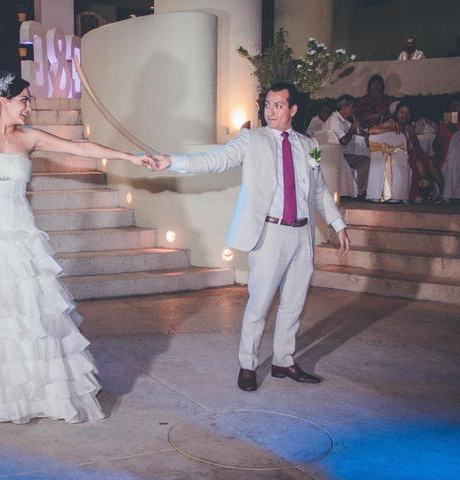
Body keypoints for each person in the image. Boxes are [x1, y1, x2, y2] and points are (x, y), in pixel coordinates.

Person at [0, 71, 155, 425]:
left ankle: (36, 394)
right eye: (24, 100)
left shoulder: (30, 139)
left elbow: (81, 148)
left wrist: (130, 158)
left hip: (21, 238)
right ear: (3, 100)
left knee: (30, 319)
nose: (29, 107)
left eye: (30, 101)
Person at [152, 82, 350, 392]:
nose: (270, 111)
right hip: (270, 233)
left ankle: (284, 360)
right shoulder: (252, 139)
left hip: (302, 234)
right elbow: (215, 160)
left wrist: (338, 224)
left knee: (294, 303)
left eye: (278, 106)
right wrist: (173, 161)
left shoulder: (308, 144)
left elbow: (320, 190)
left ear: (293, 110)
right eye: (268, 105)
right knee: (260, 303)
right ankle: (248, 364)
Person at [370, 100, 442, 203]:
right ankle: (415, 192)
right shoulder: (391, 123)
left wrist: (415, 150)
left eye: (407, 113)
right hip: (394, 154)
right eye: (402, 112)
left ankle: (422, 188)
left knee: (419, 159)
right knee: (415, 163)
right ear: (397, 114)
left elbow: (415, 142)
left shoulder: (409, 127)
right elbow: (372, 130)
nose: (405, 115)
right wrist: (390, 130)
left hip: (409, 152)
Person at [325, 94, 370, 199]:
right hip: (337, 157)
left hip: (342, 154)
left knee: (364, 158)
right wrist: (353, 128)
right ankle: (361, 192)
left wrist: (366, 133)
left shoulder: (343, 120)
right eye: (352, 107)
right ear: (345, 107)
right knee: (365, 162)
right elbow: (343, 141)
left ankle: (360, 190)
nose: (353, 110)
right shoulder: (334, 120)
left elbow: (358, 132)